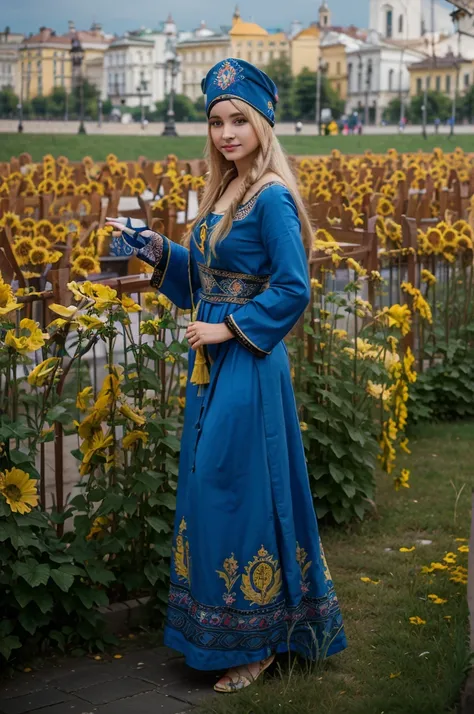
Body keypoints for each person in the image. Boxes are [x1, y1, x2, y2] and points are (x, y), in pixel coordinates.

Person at [106, 57, 347, 694]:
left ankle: (259, 639)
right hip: (213, 368)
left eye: (238, 119)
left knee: (231, 487)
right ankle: (220, 629)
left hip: (248, 364)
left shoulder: (271, 198)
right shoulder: (225, 192)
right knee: (209, 482)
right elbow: (209, 280)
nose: (225, 133)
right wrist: (157, 249)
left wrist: (227, 329)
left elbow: (293, 287)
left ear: (264, 122)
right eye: (216, 121)